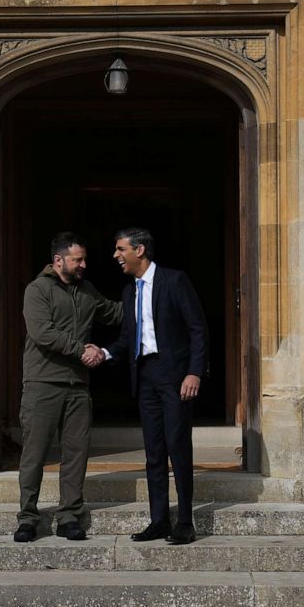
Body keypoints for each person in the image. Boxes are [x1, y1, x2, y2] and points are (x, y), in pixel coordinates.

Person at [101, 227, 208, 545]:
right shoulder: (129, 291)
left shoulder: (174, 281)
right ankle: (159, 520)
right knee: (154, 453)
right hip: (144, 376)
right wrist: (105, 352)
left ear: (140, 250)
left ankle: (185, 522)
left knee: (178, 447)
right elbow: (126, 338)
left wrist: (194, 373)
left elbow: (198, 330)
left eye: (121, 249)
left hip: (174, 376)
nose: (116, 255)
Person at [14, 232, 122, 543]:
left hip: (77, 387)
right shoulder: (37, 290)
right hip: (42, 384)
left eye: (83, 259)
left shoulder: (87, 291)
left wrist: (146, 295)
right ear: (58, 260)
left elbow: (114, 313)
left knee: (76, 454)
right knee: (34, 455)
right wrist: (82, 350)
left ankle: (69, 517)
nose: (83, 265)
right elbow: (42, 332)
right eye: (78, 260)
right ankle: (27, 518)